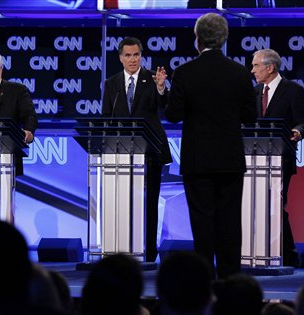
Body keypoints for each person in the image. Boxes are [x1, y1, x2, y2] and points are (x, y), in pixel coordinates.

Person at [164, 12, 257, 279]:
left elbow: (173, 115)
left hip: (198, 160)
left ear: (197, 39)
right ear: (224, 38)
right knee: (229, 221)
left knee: (202, 221)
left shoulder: (184, 72)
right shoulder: (239, 73)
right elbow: (250, 117)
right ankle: (231, 280)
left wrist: (164, 93)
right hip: (229, 159)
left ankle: (203, 279)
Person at [102, 37, 172, 262]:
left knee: (150, 203)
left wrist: (161, 88)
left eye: (136, 55)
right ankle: (122, 250)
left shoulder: (153, 78)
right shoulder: (111, 83)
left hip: (150, 150)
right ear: (120, 58)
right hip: (120, 152)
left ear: (141, 56)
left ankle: (150, 253)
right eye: (128, 55)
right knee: (122, 202)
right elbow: (106, 117)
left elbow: (165, 108)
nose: (132, 60)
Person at [251, 48, 304, 267]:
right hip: (255, 159)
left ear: (270, 67)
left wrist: (298, 132)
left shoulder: (292, 90)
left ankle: (287, 252)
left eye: (256, 65)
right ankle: (259, 250)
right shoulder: (255, 92)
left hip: (281, 158)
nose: (252, 70)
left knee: (276, 204)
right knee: (257, 205)